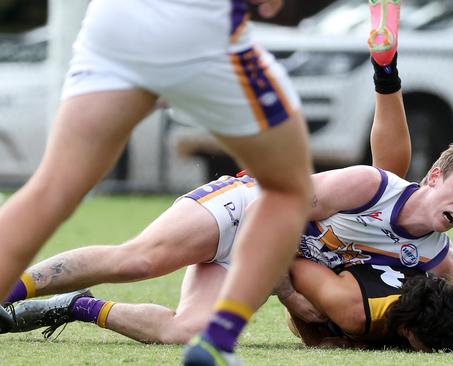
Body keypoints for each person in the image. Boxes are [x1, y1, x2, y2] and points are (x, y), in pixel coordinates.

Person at [0, 50, 414, 346]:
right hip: (245, 207)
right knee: (138, 261)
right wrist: (386, 71)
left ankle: (75, 306)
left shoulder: (427, 258)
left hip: (253, 258)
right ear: (434, 178)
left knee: (184, 332)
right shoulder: (381, 196)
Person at [0, 1, 314, 365]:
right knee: (288, 189)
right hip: (200, 26)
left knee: (53, 187)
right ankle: (218, 341)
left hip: (115, 19)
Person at [284, 258, 453, 352]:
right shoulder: (353, 311)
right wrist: (314, 340)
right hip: (329, 294)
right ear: (407, 330)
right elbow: (292, 264)